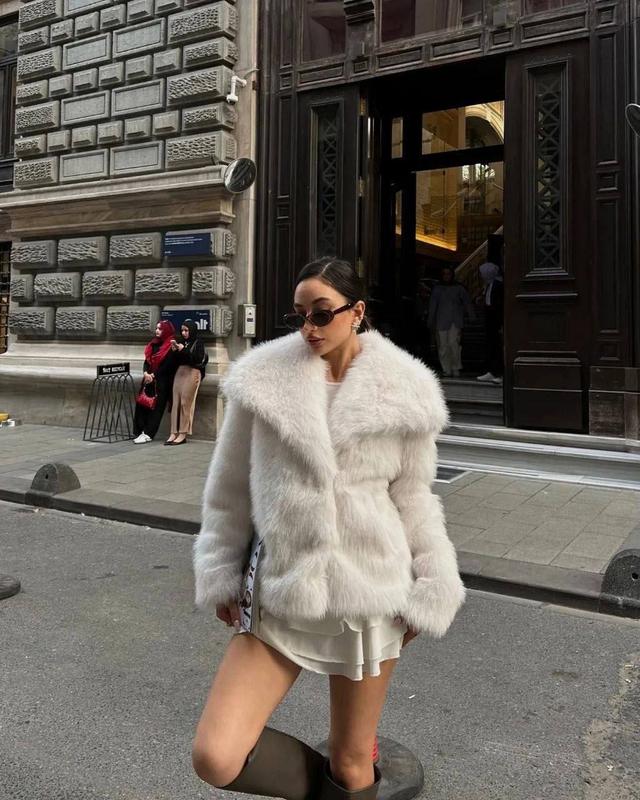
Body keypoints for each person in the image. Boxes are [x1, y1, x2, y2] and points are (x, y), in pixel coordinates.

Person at [191, 257, 465, 799]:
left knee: (352, 764)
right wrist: (220, 573)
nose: (309, 328)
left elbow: (414, 498)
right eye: (299, 315)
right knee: (216, 756)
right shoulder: (262, 381)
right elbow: (228, 492)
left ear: (356, 312)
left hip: (371, 594)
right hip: (284, 588)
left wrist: (434, 584)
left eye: (322, 314)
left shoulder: (406, 390)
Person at [132, 320, 178, 444]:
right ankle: (139, 431)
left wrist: (153, 375)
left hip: (162, 382)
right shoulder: (153, 343)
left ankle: (148, 433)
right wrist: (145, 373)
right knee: (142, 403)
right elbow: (147, 361)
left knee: (157, 408)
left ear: (166, 331)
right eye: (157, 328)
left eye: (160, 329)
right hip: (148, 380)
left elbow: (168, 365)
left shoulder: (171, 345)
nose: (157, 331)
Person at [427, 266, 474, 377]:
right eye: (444, 274)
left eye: (448, 274)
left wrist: (471, 315)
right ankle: (446, 369)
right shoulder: (437, 289)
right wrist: (430, 320)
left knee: (454, 344)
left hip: (455, 320)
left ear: (452, 275)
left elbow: (467, 302)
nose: (446, 276)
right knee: (443, 346)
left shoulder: (459, 288)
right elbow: (433, 306)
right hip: (441, 320)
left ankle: (455, 367)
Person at [166, 319, 207, 446]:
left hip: (193, 372)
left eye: (186, 330)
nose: (184, 333)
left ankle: (183, 433)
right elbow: (174, 362)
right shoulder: (181, 342)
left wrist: (184, 350)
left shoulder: (198, 342)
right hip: (180, 372)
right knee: (175, 403)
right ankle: (173, 432)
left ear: (192, 330)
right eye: (182, 330)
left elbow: (197, 359)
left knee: (185, 402)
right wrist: (174, 351)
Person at [476, 261, 504, 385]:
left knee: (497, 348)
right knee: (491, 347)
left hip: (496, 321)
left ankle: (499, 373)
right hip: (490, 320)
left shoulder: (498, 285)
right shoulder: (489, 285)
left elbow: (500, 306)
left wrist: (501, 324)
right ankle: (492, 371)